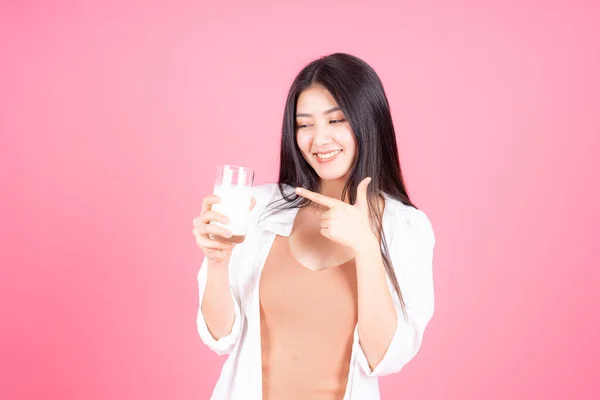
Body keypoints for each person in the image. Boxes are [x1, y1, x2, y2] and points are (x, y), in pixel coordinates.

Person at [192, 53, 436, 400]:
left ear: (369, 120)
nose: (319, 140)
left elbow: (384, 357)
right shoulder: (258, 208)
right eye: (305, 124)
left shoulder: (407, 228)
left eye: (336, 120)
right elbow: (219, 336)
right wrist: (217, 261)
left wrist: (366, 248)